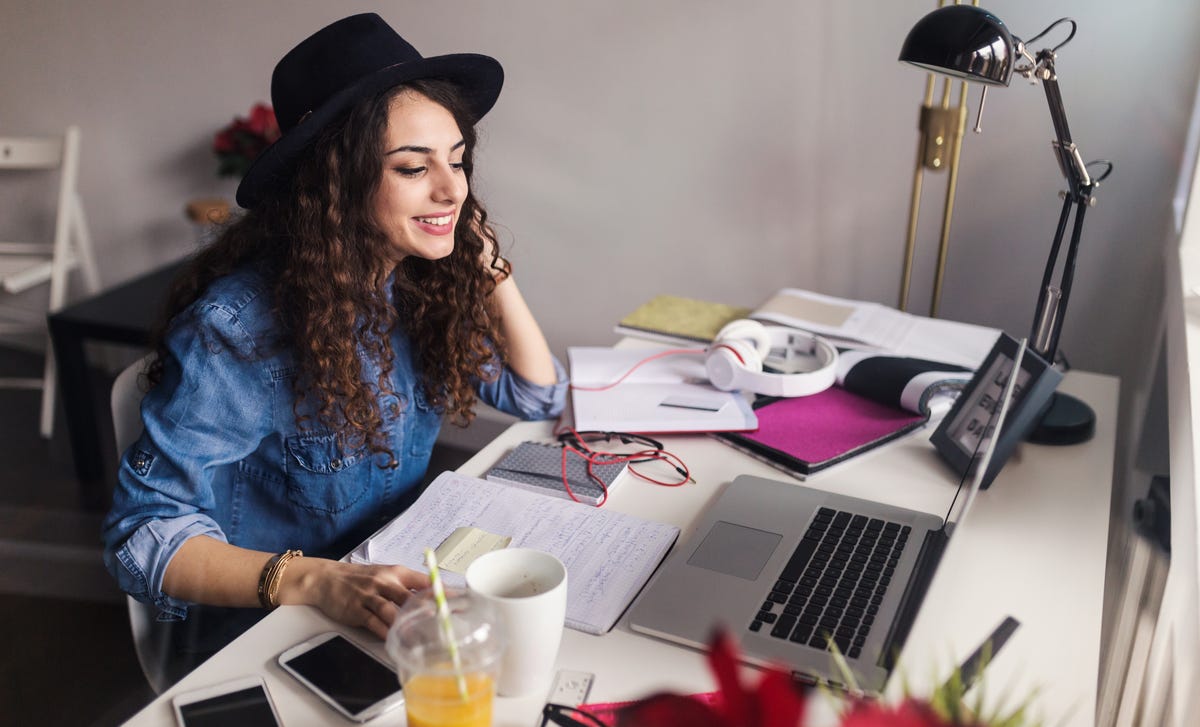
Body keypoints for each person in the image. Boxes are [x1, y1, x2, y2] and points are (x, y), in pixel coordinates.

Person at [102, 12, 567, 673]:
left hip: (394, 594)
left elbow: (536, 394)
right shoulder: (240, 331)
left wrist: (490, 268)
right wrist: (313, 579)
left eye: (458, 161)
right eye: (414, 168)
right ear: (336, 183)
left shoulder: (415, 283)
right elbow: (141, 533)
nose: (452, 189)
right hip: (268, 627)